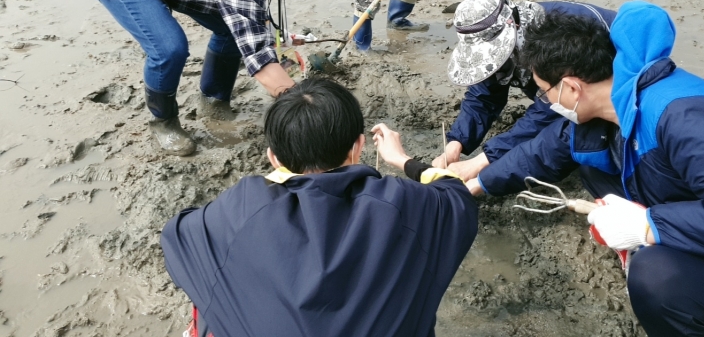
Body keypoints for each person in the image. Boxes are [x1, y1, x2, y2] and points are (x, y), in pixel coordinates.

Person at [478, 1, 704, 337]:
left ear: (572, 87)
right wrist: (475, 182)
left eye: (545, 94)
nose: (549, 104)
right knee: (593, 165)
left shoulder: (685, 118)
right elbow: (544, 151)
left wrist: (649, 226)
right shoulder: (618, 97)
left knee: (654, 276)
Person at [161, 77, 478, 337]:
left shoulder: (244, 206)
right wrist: (402, 159)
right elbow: (455, 192)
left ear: (274, 158)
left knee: (211, 288)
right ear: (358, 147)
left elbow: (177, 235)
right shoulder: (405, 202)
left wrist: (277, 181)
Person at [78, 0, 342, 156]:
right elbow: (257, 55)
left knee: (232, 29)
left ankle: (213, 101)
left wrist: (278, 41)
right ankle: (163, 122)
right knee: (169, 48)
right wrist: (303, 105)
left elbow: (250, 18)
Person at [432, 0, 615, 197]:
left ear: (513, 25)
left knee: (574, 140)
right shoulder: (510, 33)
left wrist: (483, 161)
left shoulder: (555, 40)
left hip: (608, 92)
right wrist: (456, 142)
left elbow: (547, 112)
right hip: (568, 92)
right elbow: (483, 95)